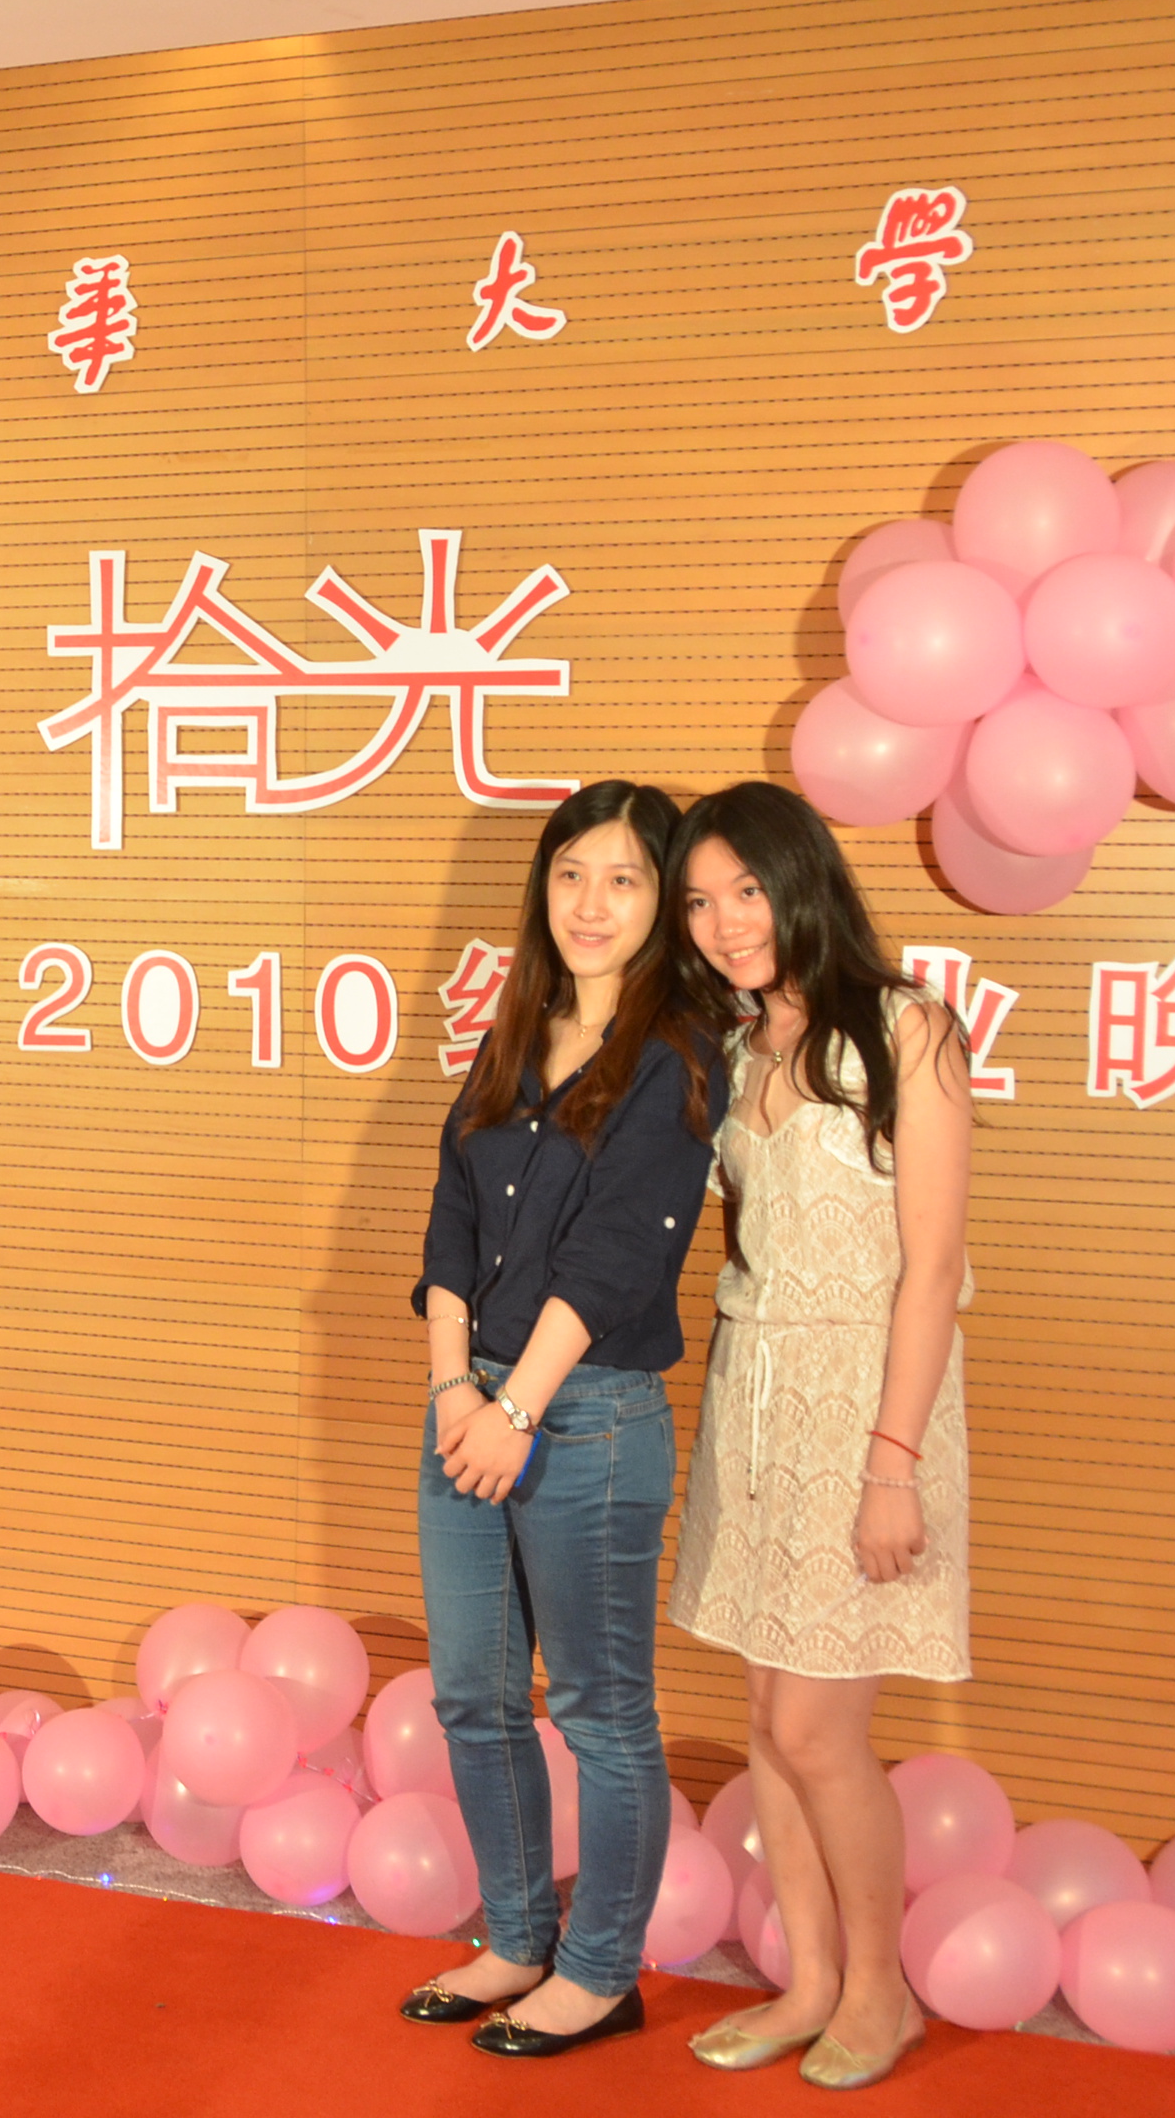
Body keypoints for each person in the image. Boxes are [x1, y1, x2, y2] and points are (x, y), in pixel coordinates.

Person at [404, 779, 725, 2058]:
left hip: (582, 1420)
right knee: (473, 1699)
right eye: (571, 873)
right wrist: (455, 1391)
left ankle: (599, 1973)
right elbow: (450, 1218)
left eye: (625, 879)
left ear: (662, 903)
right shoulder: (515, 1029)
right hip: (466, 1406)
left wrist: (516, 1409)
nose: (591, 904)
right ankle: (519, 1938)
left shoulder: (674, 1056)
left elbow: (614, 1261)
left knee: (600, 1712)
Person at [663, 781, 973, 2091]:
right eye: (700, 902)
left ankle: (880, 1994)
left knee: (816, 1729)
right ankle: (808, 1983)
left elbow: (934, 1266)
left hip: (867, 1412)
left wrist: (893, 1464)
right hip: (754, 1400)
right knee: (764, 1714)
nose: (727, 923)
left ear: (802, 882)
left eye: (747, 890)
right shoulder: (737, 1051)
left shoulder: (908, 1029)